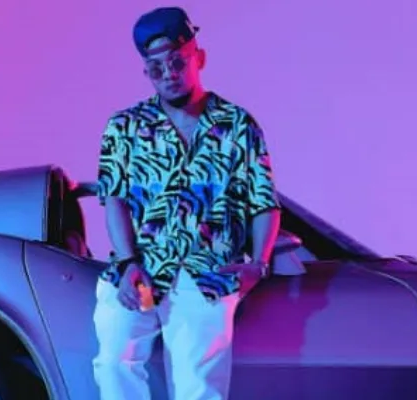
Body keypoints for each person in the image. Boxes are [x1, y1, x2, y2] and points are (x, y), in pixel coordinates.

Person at [92, 6, 281, 400]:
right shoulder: (124, 127)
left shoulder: (237, 124)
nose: (168, 74)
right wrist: (127, 263)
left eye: (177, 62)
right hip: (139, 270)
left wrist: (258, 265)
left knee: (199, 385)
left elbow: (264, 201)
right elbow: (115, 201)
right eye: (156, 68)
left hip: (207, 274)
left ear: (199, 58)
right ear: (146, 72)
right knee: (113, 364)